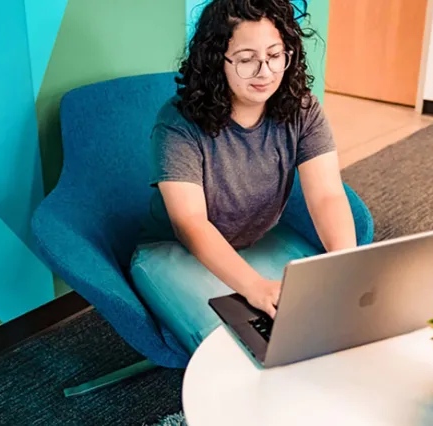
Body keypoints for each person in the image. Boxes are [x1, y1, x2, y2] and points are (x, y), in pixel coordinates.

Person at [130, 0, 358, 355]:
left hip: (256, 242)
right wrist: (254, 286)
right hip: (173, 251)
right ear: (216, 60)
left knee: (331, 315)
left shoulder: (302, 108)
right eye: (247, 58)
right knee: (238, 348)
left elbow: (327, 194)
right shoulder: (178, 121)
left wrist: (347, 262)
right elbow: (190, 223)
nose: (265, 71)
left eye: (275, 54)